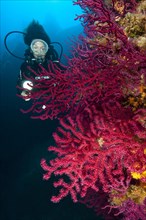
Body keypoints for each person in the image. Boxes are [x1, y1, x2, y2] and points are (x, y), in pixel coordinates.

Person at [17, 20, 60, 101]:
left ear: (47, 49)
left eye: (43, 48)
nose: (39, 52)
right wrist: (22, 92)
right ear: (30, 49)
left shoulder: (55, 64)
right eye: (35, 48)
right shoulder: (25, 67)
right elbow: (19, 84)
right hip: (35, 105)